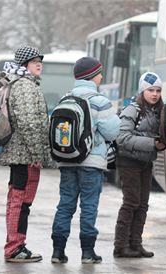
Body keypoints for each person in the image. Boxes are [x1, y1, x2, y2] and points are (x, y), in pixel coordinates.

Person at [51, 57, 120, 264]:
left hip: (66, 160)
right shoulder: (99, 100)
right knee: (89, 206)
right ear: (92, 75)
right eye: (99, 73)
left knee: (65, 205)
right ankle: (88, 252)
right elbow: (112, 132)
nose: (101, 76)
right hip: (91, 163)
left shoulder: (65, 99)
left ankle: (57, 251)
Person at [0, 46, 53, 263]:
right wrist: (38, 153)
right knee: (20, 202)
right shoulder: (25, 86)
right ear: (23, 65)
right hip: (24, 155)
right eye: (33, 61)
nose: (38, 64)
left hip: (21, 153)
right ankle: (14, 247)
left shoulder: (21, 84)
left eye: (40, 60)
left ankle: (17, 245)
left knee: (19, 201)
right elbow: (29, 123)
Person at [113, 72, 166, 258]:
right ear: (142, 90)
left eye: (158, 90)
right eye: (150, 90)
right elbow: (122, 138)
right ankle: (120, 246)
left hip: (145, 162)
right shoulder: (132, 110)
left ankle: (136, 244)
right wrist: (153, 144)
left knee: (142, 204)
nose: (155, 94)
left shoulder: (158, 111)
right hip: (129, 162)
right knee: (131, 203)